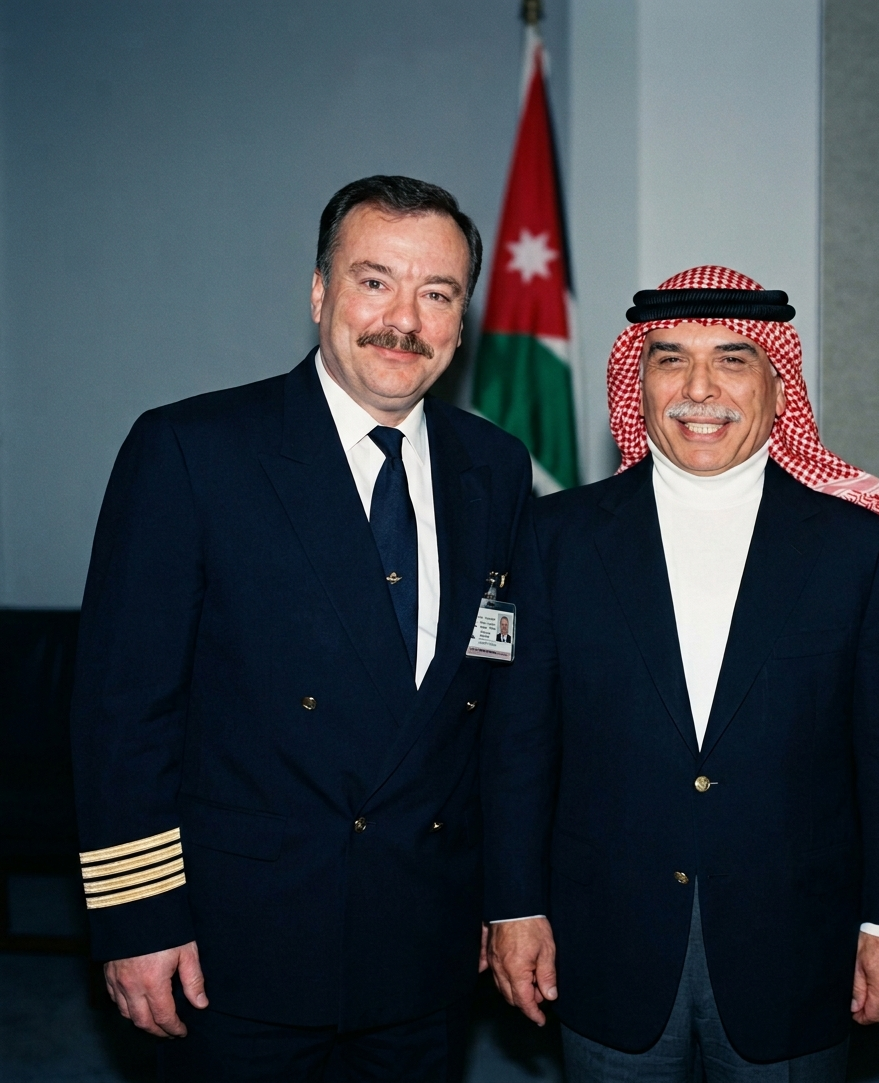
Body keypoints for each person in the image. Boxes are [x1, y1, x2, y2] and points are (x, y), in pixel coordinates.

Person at [70, 175, 532, 1083]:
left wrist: (502, 896)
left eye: (436, 293)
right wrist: (140, 919)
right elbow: (122, 710)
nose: (404, 317)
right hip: (238, 946)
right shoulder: (194, 451)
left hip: (424, 939)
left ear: (462, 319)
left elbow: (498, 703)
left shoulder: (497, 467)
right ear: (319, 292)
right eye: (374, 281)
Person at [483, 266, 879, 1082]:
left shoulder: (861, 550)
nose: (700, 390)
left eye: (733, 359)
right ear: (638, 378)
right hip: (604, 939)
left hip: (798, 943)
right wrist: (514, 904)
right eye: (670, 359)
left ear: (777, 385)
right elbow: (517, 743)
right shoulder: (552, 538)